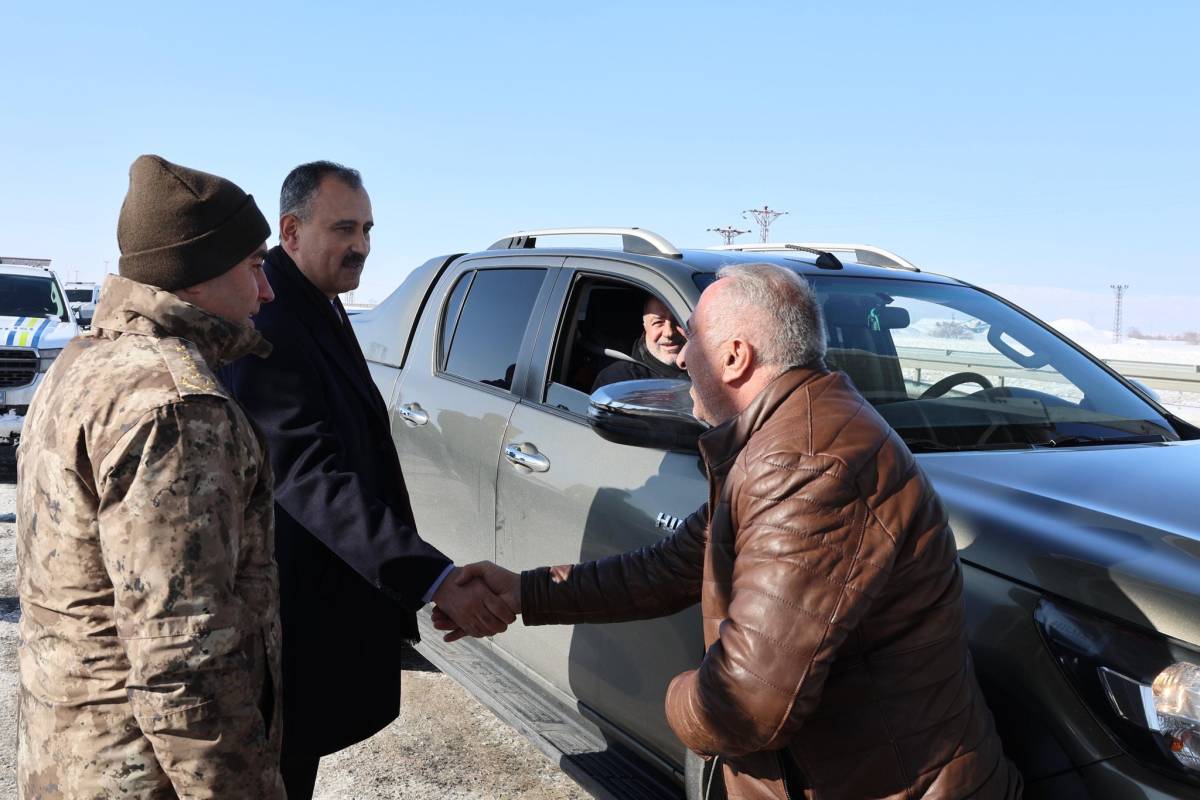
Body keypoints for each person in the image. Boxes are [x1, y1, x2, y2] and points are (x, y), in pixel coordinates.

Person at [440, 263, 1021, 799]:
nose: (681, 354)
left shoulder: (803, 464)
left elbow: (744, 704)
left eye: (693, 337)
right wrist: (524, 591)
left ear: (736, 356)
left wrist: (677, 697)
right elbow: (672, 565)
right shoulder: (784, 434)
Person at [222, 160, 515, 799]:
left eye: (368, 230)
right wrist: (433, 578)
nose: (362, 246)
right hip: (289, 615)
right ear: (291, 231)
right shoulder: (273, 323)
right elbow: (308, 476)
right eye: (345, 229)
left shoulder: (315, 302)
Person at [17, 155, 284, 797]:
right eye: (254, 267)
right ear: (194, 276)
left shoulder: (83, 365)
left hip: (70, 755)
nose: (267, 291)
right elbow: (185, 656)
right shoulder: (178, 408)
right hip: (143, 776)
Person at [590, 294, 688, 390]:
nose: (669, 333)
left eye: (678, 321)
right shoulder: (617, 381)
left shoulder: (702, 368)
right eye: (658, 322)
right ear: (645, 327)